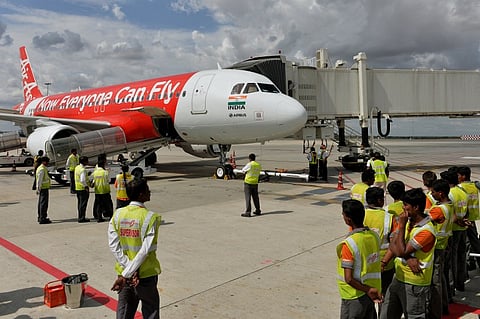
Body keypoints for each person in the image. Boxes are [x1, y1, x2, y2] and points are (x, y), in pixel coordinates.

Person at [108, 178, 161, 319]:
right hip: (146, 275)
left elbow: (114, 246)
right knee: (150, 311)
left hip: (124, 276)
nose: (149, 192)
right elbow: (144, 250)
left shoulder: (117, 215)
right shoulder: (150, 218)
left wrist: (127, 272)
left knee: (124, 311)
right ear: (140, 195)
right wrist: (132, 272)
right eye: (147, 190)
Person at [380, 188, 436, 319]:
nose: (403, 209)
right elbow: (392, 244)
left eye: (406, 205)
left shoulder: (426, 230)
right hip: (398, 277)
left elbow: (399, 250)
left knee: (413, 315)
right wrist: (387, 261)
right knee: (387, 313)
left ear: (416, 207)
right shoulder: (408, 222)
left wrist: (401, 227)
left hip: (415, 283)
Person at [336, 199, 382, 319]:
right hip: (371, 293)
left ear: (348, 219)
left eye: (343, 214)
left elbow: (349, 279)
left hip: (354, 295)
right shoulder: (374, 236)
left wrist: (368, 290)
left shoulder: (349, 244)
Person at [428, 178, 454, 318]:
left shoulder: (438, 210)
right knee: (442, 276)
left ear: (441, 193)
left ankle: (437, 309)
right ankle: (445, 301)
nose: (431, 194)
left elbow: (423, 220)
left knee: (435, 280)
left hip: (436, 246)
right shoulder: (449, 205)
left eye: (433, 192)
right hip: (444, 244)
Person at [364, 187, 396, 299]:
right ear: (379, 201)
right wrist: (384, 262)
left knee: (367, 295)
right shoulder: (390, 218)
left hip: (365, 264)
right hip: (385, 265)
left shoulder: (361, 215)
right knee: (385, 296)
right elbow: (394, 244)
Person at [457, 166, 480, 271]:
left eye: (458, 175)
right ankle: (476, 262)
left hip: (464, 220)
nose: (457, 177)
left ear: (463, 176)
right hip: (473, 218)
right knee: (474, 242)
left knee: (466, 244)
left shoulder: (460, 187)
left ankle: (469, 264)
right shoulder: (475, 186)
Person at [92, 158, 113, 222]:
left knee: (99, 205)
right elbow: (109, 180)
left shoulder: (95, 173)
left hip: (98, 191)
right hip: (105, 190)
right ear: (103, 165)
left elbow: (93, 181)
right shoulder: (105, 172)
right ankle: (110, 216)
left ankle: (99, 217)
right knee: (108, 204)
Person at [241, 153, 261, 217]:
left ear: (249, 158)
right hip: (255, 183)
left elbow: (243, 170)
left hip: (248, 183)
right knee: (256, 198)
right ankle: (258, 210)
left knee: (248, 198)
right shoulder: (258, 165)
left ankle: (248, 212)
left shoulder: (250, 164)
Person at [36, 156, 52, 224]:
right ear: (44, 162)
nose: (48, 163)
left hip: (43, 188)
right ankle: (43, 218)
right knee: (43, 204)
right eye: (47, 162)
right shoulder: (42, 169)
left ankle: (40, 217)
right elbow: (39, 180)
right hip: (43, 188)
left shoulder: (42, 168)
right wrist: (38, 188)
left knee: (41, 203)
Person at [75, 156, 91, 223]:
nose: (87, 162)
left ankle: (80, 216)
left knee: (80, 204)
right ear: (84, 162)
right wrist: (86, 187)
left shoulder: (77, 167)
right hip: (82, 189)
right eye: (87, 161)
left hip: (78, 188)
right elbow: (82, 180)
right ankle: (82, 218)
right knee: (83, 204)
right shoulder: (82, 170)